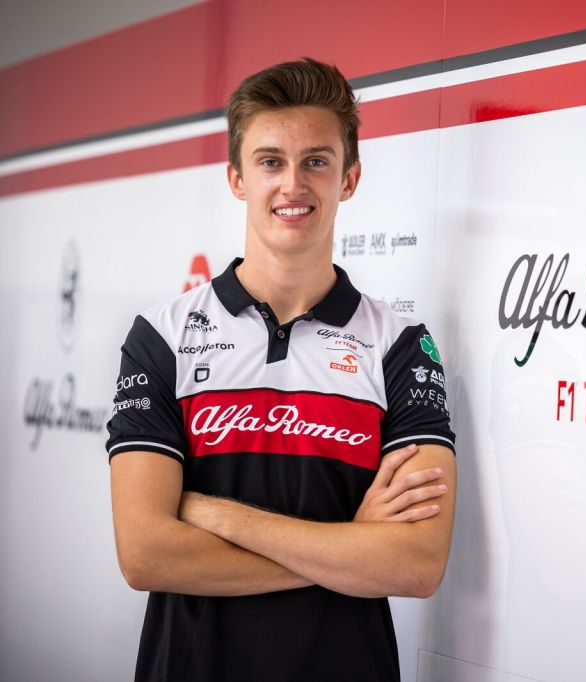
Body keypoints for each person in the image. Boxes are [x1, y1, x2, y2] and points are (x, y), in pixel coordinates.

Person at [106, 58, 456, 682]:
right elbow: (145, 554)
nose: (293, 184)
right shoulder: (162, 335)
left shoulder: (400, 345)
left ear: (349, 179)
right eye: (270, 161)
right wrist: (348, 548)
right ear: (237, 178)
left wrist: (218, 515)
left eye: (316, 161)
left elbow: (415, 565)